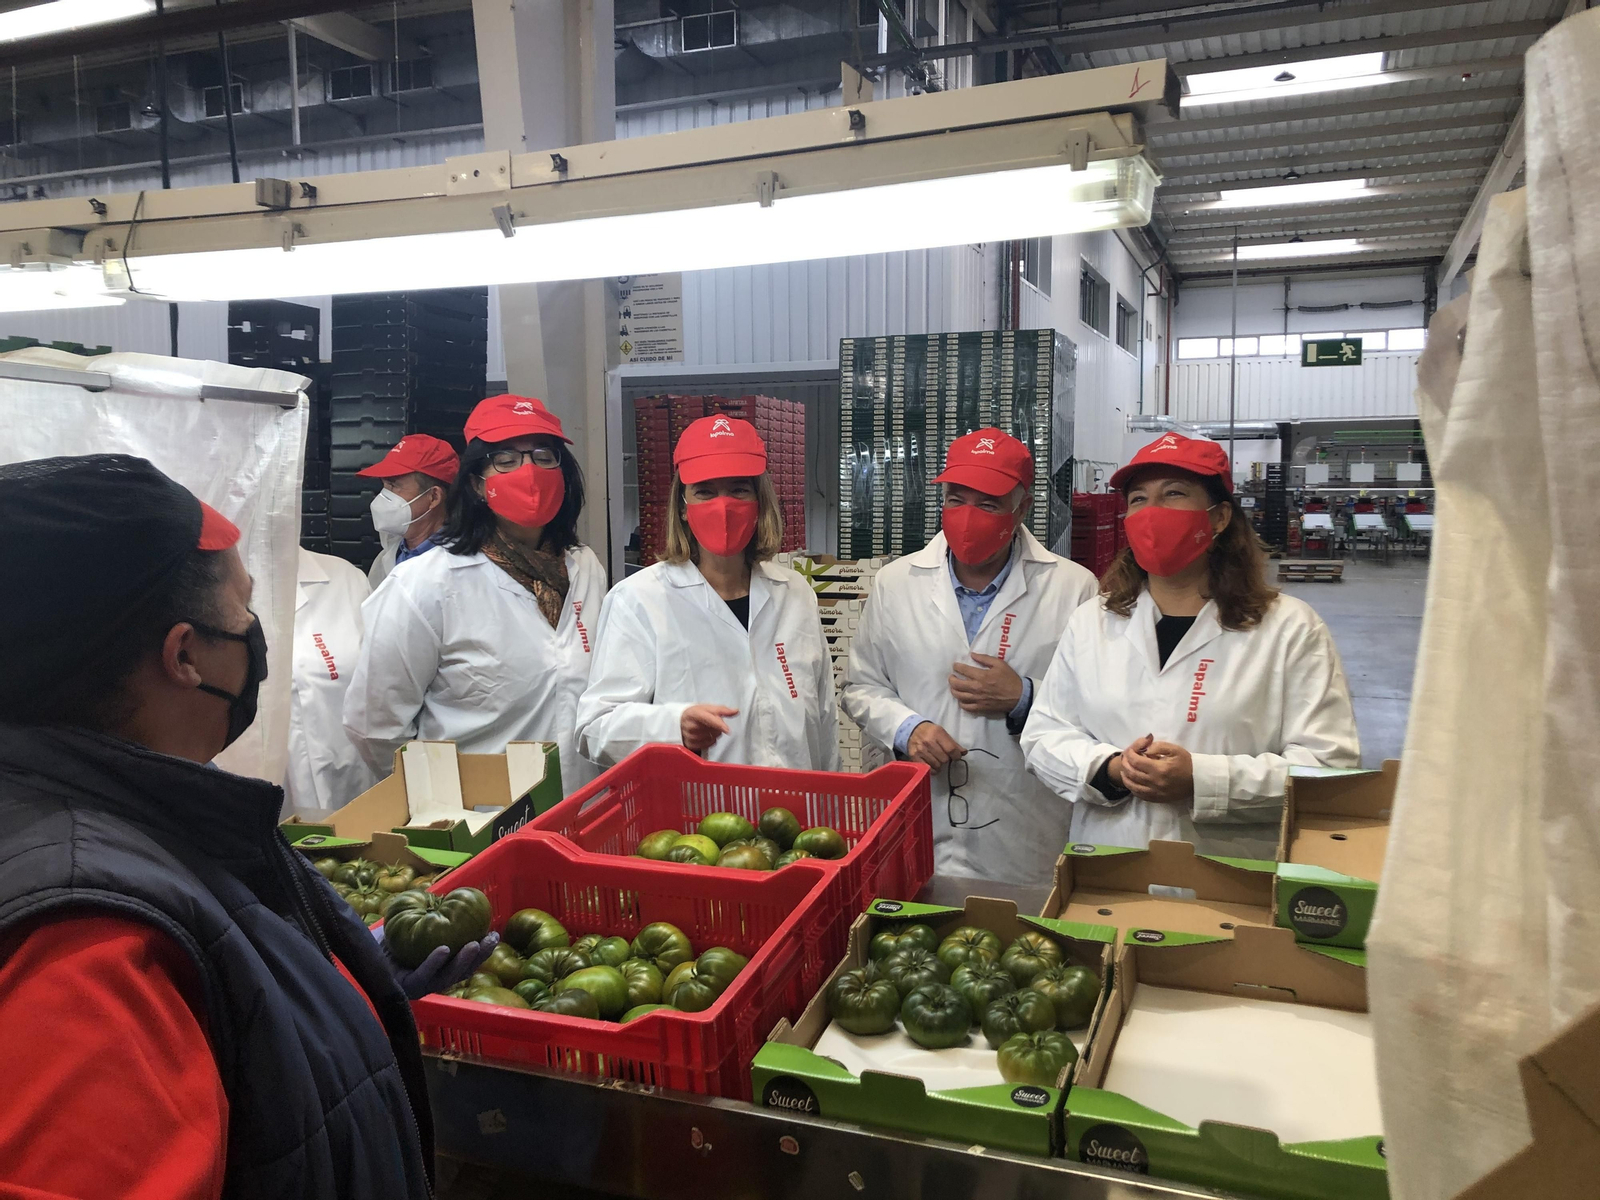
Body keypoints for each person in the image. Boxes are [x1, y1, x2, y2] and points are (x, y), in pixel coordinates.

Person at [0, 455, 493, 1200]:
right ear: (185, 655)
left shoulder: (146, 821)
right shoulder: (85, 945)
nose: (256, 638)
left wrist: (333, 988)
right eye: (243, 613)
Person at [1021, 434, 1360, 860]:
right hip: (1109, 867)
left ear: (1218, 518)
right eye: (1139, 498)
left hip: (1229, 873)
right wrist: (1111, 769)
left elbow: (1329, 767)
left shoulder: (1290, 628)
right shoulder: (1093, 621)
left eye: (1174, 494)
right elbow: (1044, 735)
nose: (1152, 511)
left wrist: (1204, 779)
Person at [841, 428, 1098, 884]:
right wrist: (907, 728)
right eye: (956, 500)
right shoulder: (896, 584)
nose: (967, 517)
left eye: (988, 504)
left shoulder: (1074, 590)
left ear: (1022, 508)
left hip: (1023, 824)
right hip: (919, 812)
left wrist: (1023, 698)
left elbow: (1095, 711)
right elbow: (861, 686)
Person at [344, 395, 607, 792]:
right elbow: (374, 727)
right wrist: (438, 796)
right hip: (480, 817)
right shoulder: (425, 583)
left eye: (543, 456)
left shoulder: (584, 567)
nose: (529, 472)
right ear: (476, 483)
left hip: (583, 805)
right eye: (505, 460)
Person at [576, 415, 839, 771]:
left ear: (760, 502)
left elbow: (823, 721)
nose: (723, 506)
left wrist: (832, 795)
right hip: (699, 805)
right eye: (705, 491)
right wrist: (672, 727)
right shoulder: (638, 600)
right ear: (682, 507)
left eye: (739, 490)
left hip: (796, 804)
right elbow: (594, 728)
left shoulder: (795, 595)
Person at [284, 545, 376, 813]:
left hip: (352, 787)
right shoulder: (205, 586)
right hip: (269, 800)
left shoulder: (346, 579)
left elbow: (382, 691)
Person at [359, 433, 458, 588]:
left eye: (393, 486)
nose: (383, 496)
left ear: (434, 497)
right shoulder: (391, 555)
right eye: (384, 485)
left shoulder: (462, 566)